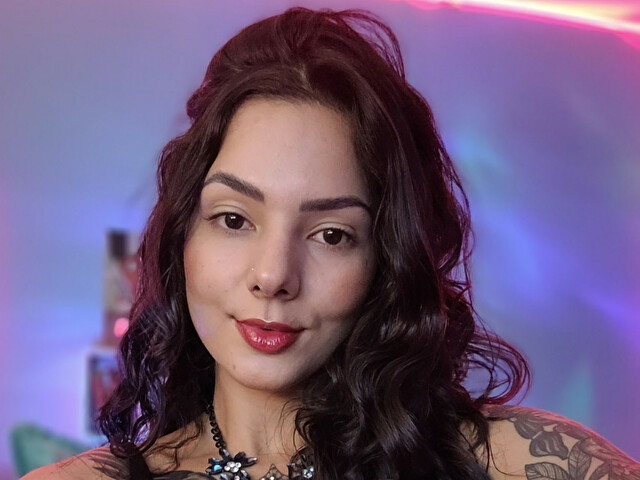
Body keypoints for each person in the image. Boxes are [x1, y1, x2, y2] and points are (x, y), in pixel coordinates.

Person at [24, 7, 639, 480]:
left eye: (331, 234)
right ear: (185, 233)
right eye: (234, 220)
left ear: (385, 261)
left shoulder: (528, 464)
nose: (273, 276)